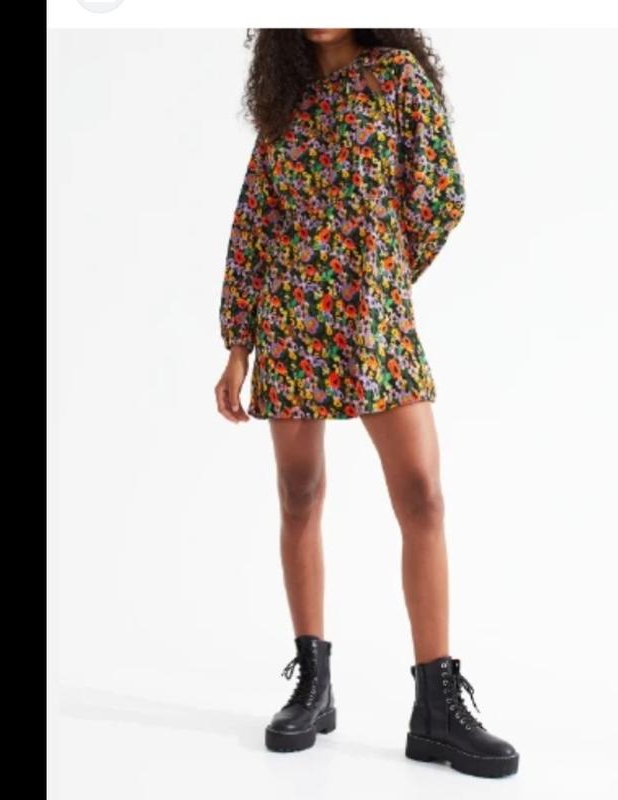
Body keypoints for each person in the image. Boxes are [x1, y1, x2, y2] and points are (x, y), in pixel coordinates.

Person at [215, 28, 519, 779]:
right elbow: (254, 225)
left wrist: (378, 274)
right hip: (291, 317)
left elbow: (441, 195)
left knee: (423, 496)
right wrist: (238, 345)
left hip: (374, 320)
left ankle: (436, 708)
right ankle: (313, 686)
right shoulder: (284, 105)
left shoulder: (395, 78)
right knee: (299, 494)